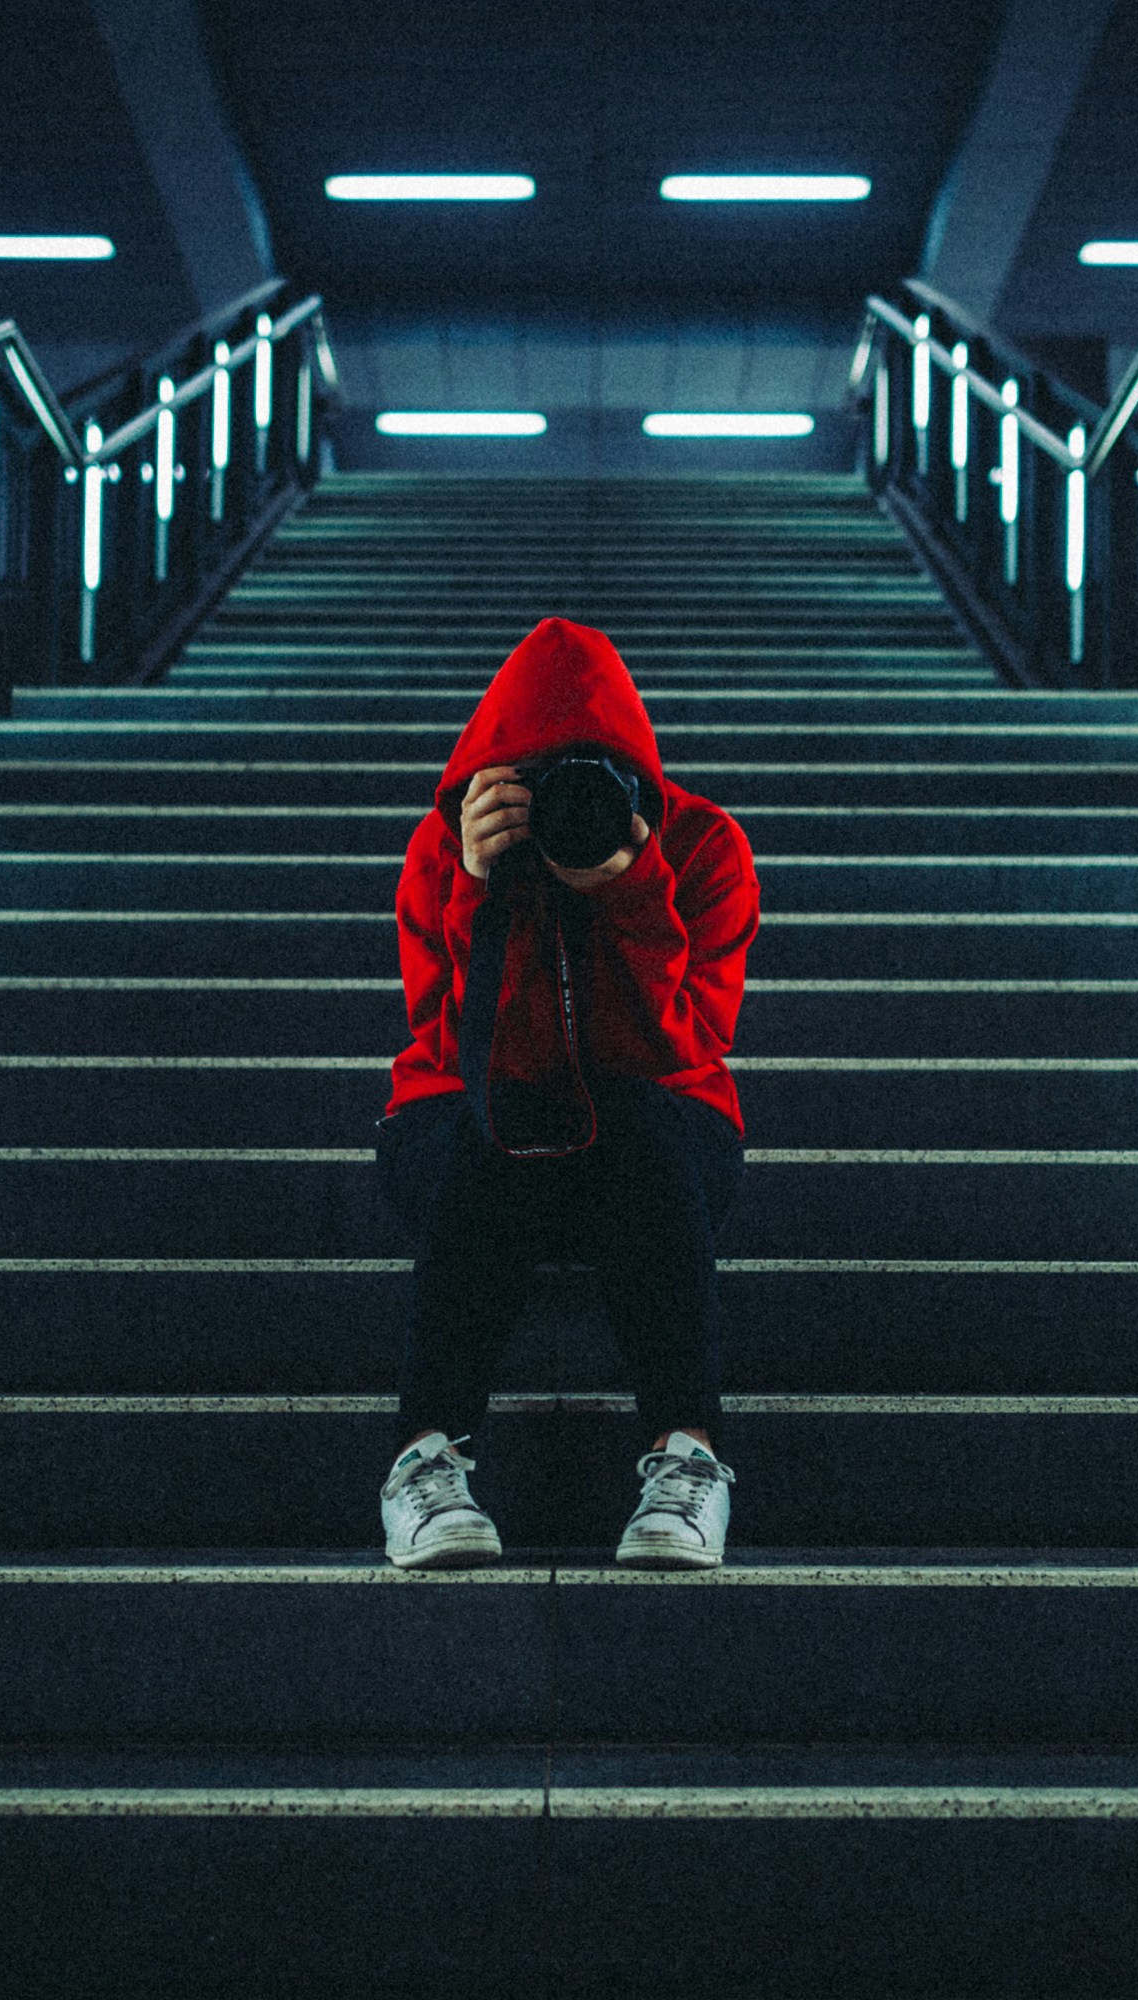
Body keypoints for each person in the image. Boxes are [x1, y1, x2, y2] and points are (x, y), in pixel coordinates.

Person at [372, 616, 759, 1570]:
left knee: (636, 1113)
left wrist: (629, 891)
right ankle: (423, 1460)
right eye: (533, 779)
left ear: (637, 778)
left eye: (586, 777)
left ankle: (689, 1456)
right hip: (466, 1122)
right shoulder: (444, 848)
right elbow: (453, 1045)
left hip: (654, 1134)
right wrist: (478, 888)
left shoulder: (702, 847)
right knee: (486, 1122)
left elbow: (681, 1051)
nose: (560, 807)